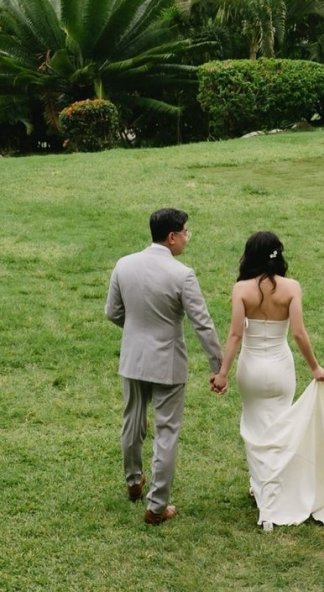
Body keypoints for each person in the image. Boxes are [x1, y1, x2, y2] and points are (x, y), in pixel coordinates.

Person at [210, 230, 324, 531]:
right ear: (277, 255)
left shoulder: (241, 289)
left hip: (252, 369)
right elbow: (298, 333)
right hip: (281, 370)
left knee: (256, 430)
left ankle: (265, 500)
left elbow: (234, 335)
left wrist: (222, 373)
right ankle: (273, 489)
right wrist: (315, 367)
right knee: (280, 428)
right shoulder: (292, 287)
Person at [105, 208, 223, 525]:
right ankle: (156, 506)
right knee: (166, 431)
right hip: (167, 361)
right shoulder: (182, 274)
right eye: (186, 232)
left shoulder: (124, 264)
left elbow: (112, 312)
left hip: (132, 358)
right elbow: (203, 324)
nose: (187, 238)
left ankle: (133, 481)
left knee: (132, 421)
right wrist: (218, 364)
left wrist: (134, 332)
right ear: (171, 237)